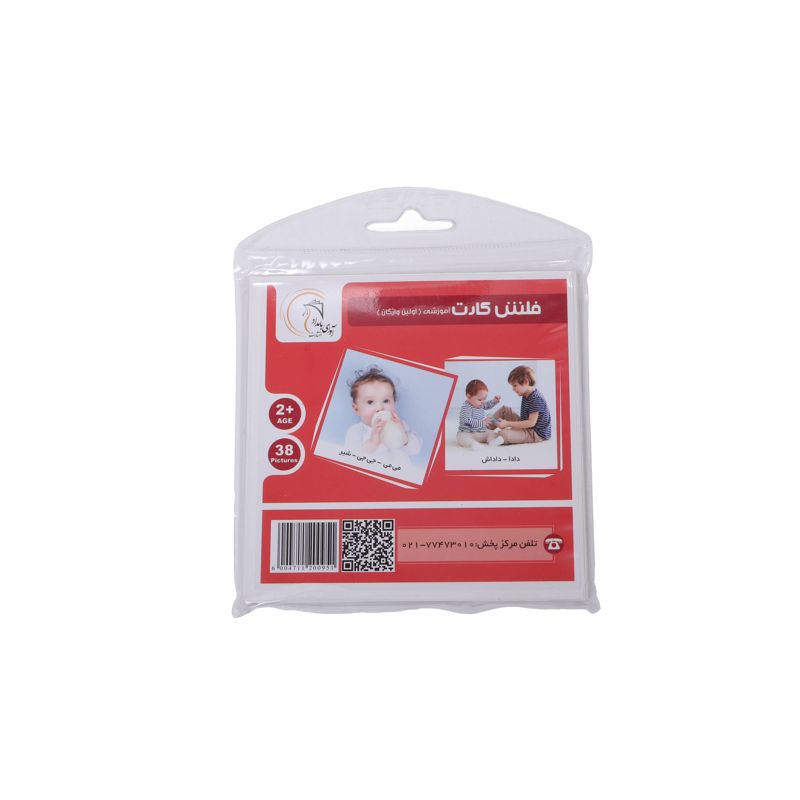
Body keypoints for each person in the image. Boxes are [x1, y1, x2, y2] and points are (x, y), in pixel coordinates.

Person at [344, 366, 422, 458]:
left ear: (394, 403)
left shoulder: (399, 424)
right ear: (357, 409)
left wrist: (404, 438)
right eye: (370, 402)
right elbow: (351, 457)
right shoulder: (356, 431)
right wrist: (372, 442)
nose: (380, 408)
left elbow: (415, 450)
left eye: (386, 401)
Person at [487, 365, 551, 446]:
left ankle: (497, 435)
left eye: (515, 385)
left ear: (526, 382)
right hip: (525, 424)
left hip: (535, 433)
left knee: (504, 434)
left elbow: (531, 423)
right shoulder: (526, 394)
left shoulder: (536, 398)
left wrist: (507, 424)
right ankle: (488, 425)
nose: (513, 389)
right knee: (504, 409)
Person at [456, 379, 501, 449]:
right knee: (461, 438)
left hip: (480, 432)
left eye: (484, 399)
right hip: (467, 432)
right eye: (479, 399)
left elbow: (488, 405)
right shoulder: (466, 407)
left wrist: (494, 401)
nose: (483, 402)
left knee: (491, 433)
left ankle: (492, 441)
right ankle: (473, 444)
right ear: (468, 396)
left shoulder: (481, 404)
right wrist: (482, 422)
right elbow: (467, 420)